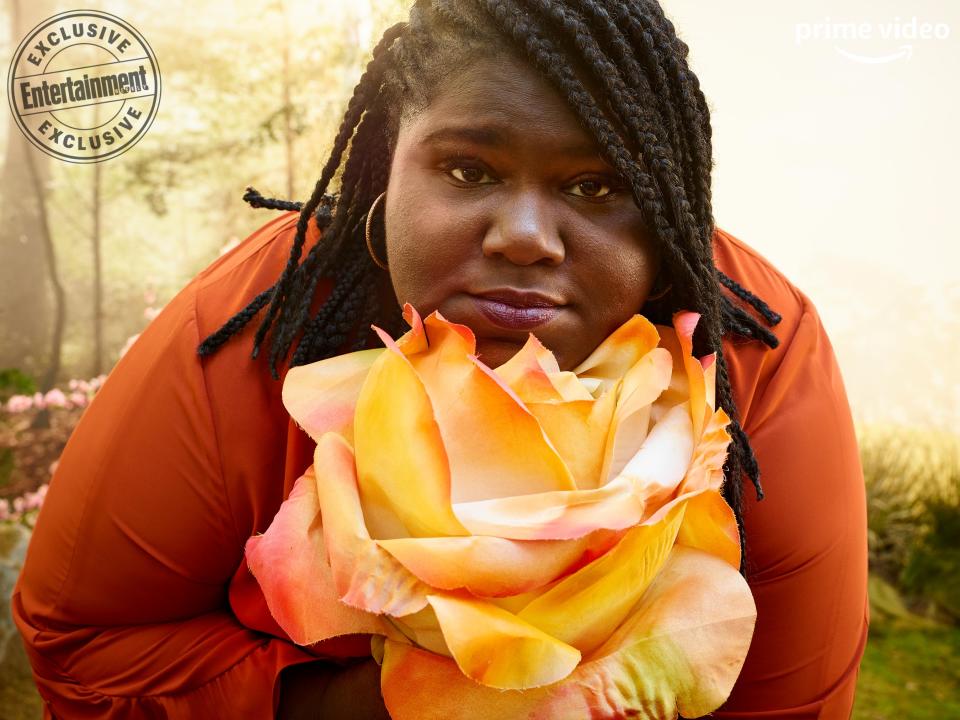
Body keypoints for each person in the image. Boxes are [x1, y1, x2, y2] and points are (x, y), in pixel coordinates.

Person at [12, 1, 869, 718]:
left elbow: (793, 702)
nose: (525, 238)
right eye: (467, 169)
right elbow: (86, 647)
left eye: (596, 186)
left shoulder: (760, 349)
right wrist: (406, 702)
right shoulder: (255, 319)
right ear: (389, 158)